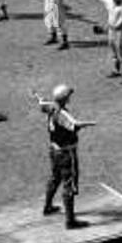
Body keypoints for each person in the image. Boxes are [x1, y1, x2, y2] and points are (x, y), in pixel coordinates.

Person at [36, 84, 96, 229]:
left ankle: (48, 206)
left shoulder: (50, 106)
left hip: (54, 150)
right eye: (68, 95)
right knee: (69, 183)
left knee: (55, 178)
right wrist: (87, 124)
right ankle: (70, 221)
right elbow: (74, 125)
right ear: (64, 98)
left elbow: (42, 104)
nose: (70, 97)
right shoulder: (62, 113)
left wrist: (38, 97)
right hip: (66, 153)